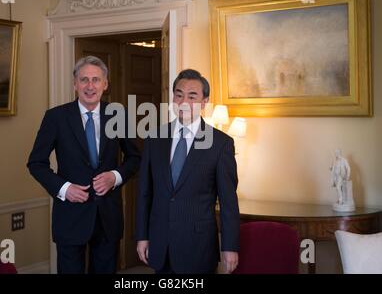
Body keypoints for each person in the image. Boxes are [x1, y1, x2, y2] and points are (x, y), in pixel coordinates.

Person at [27, 56, 141, 274]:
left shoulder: (118, 115)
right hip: (70, 216)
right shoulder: (56, 117)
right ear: (75, 84)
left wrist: (115, 177)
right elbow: (36, 163)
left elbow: (135, 158)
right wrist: (64, 188)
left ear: (105, 84)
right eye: (84, 79)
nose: (90, 86)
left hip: (108, 217)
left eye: (96, 80)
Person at [135, 69, 240, 274]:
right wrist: (142, 236)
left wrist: (229, 246)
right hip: (160, 243)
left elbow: (228, 201)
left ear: (204, 102)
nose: (184, 101)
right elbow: (144, 193)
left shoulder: (220, 144)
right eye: (179, 94)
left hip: (198, 247)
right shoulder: (154, 138)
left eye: (192, 96)